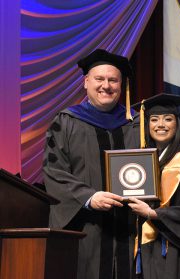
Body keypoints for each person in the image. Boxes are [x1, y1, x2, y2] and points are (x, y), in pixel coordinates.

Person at [43, 49, 140, 279]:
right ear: (86, 82)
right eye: (99, 79)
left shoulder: (137, 124)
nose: (106, 85)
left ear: (121, 85)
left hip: (131, 228)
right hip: (87, 229)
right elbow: (53, 171)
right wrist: (88, 197)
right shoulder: (66, 121)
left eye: (113, 80)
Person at [127, 93, 180, 279]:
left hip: (177, 248)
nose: (160, 125)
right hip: (144, 246)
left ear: (177, 124)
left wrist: (154, 214)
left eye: (168, 119)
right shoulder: (140, 162)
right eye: (154, 119)